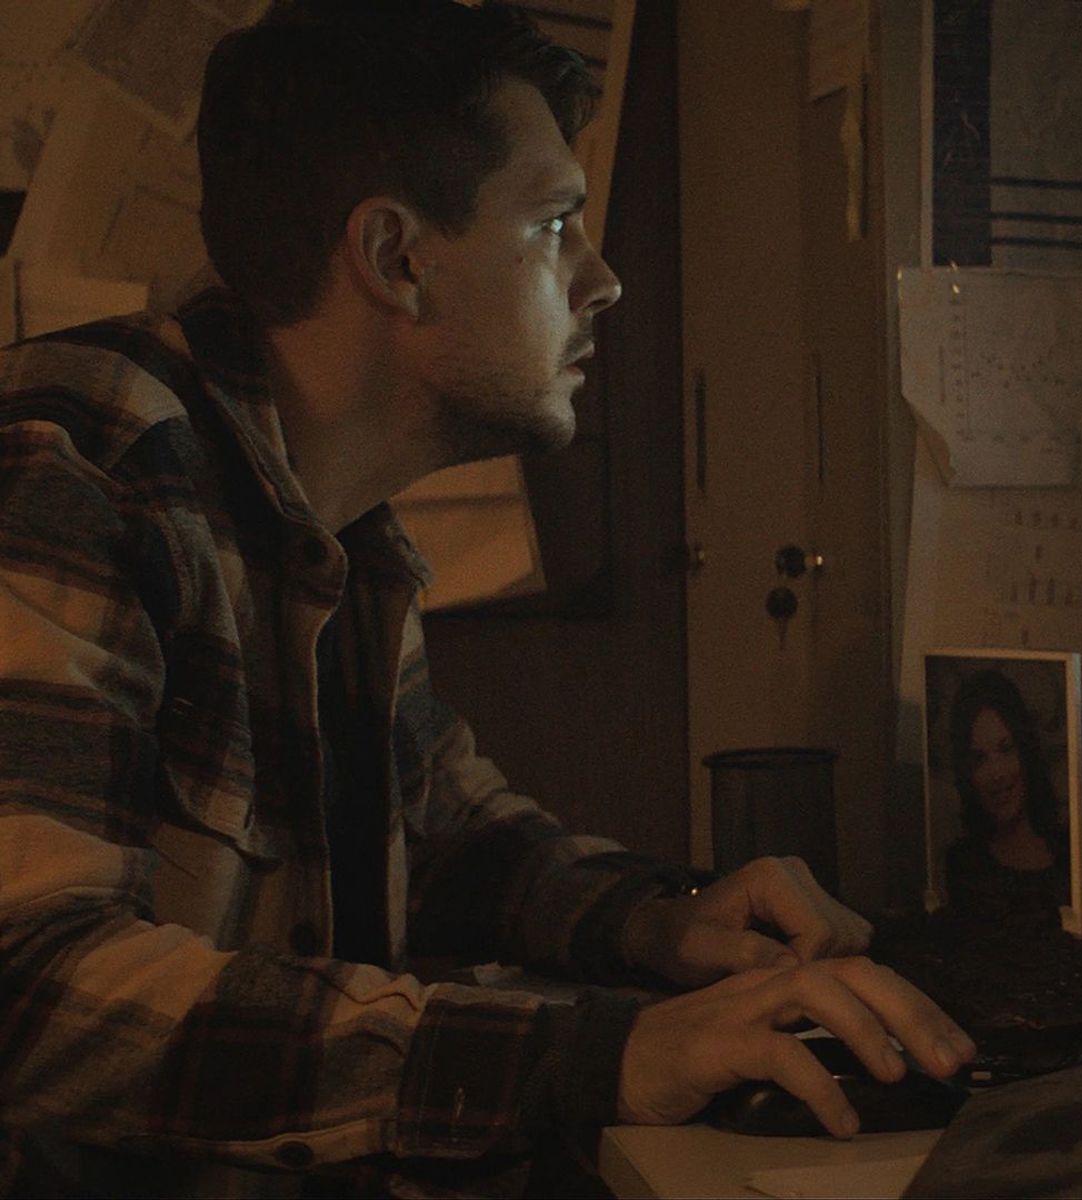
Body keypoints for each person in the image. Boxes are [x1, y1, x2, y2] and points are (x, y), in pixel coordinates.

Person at [0, 2, 973, 1196]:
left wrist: (659, 922)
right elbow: (28, 988)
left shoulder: (342, 526)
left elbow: (437, 833)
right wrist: (594, 1055)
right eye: (554, 224)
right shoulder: (76, 463)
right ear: (396, 258)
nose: (602, 279)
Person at [941, 669, 1072, 925]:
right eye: (980, 759)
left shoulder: (1069, 852)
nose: (997, 774)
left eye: (1006, 749)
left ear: (1025, 750)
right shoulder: (963, 863)